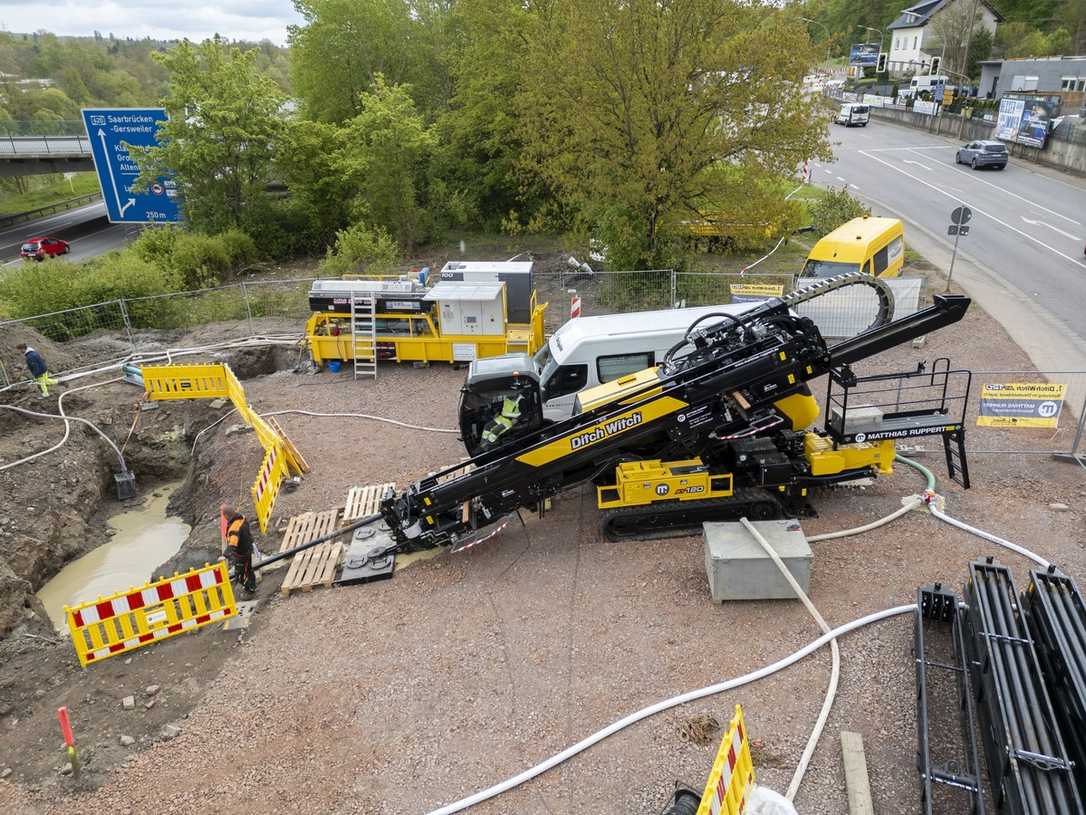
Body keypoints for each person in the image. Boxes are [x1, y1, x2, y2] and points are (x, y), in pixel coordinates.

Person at [221, 505, 257, 593]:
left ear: (226, 515)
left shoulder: (234, 528)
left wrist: (225, 555)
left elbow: (232, 544)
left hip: (242, 553)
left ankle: (249, 590)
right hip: (248, 547)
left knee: (242, 572)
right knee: (248, 569)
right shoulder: (241, 518)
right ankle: (251, 586)